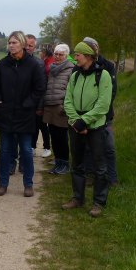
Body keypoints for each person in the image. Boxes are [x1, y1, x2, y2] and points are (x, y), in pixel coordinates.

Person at [0, 31, 46, 197]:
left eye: (14, 42)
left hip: (25, 115)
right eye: (10, 42)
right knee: (5, 150)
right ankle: (3, 183)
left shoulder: (33, 65)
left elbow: (40, 88)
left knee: (27, 151)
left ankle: (28, 184)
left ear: (22, 44)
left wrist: (28, 104)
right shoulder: (3, 64)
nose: (11, 45)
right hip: (5, 114)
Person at [62, 40, 113, 218]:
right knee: (77, 163)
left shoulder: (103, 75)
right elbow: (67, 100)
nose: (75, 57)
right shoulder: (75, 75)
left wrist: (85, 121)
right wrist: (76, 121)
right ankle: (78, 198)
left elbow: (103, 104)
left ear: (89, 56)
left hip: (95, 126)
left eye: (78, 54)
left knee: (100, 166)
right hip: (76, 125)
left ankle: (99, 202)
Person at [82, 37, 119, 185]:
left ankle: (112, 177)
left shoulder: (107, 66)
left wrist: (101, 109)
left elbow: (112, 90)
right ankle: (90, 174)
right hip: (85, 114)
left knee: (109, 147)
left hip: (104, 114)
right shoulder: (80, 67)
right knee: (87, 147)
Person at [42, 43, 75, 175]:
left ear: (66, 56)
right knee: (54, 136)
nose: (57, 56)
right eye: (56, 54)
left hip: (61, 107)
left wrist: (65, 106)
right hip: (50, 106)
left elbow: (71, 90)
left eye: (61, 54)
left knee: (61, 137)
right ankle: (58, 161)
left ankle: (65, 164)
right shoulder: (52, 69)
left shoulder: (71, 69)